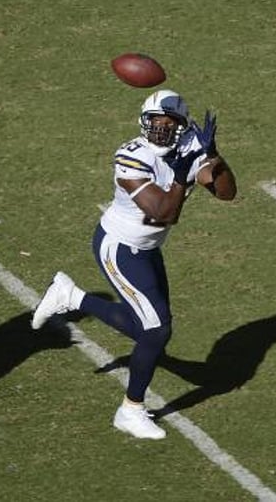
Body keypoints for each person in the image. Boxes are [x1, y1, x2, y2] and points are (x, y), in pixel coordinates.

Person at [31, 90, 237, 440]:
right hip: (119, 247)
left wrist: (214, 158)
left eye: (169, 122)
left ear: (180, 126)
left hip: (148, 249)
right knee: (156, 331)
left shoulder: (189, 145)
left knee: (152, 330)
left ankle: (72, 297)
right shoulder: (131, 156)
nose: (161, 128)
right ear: (145, 120)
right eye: (156, 120)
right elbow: (162, 212)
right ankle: (130, 410)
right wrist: (181, 174)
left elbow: (226, 192)